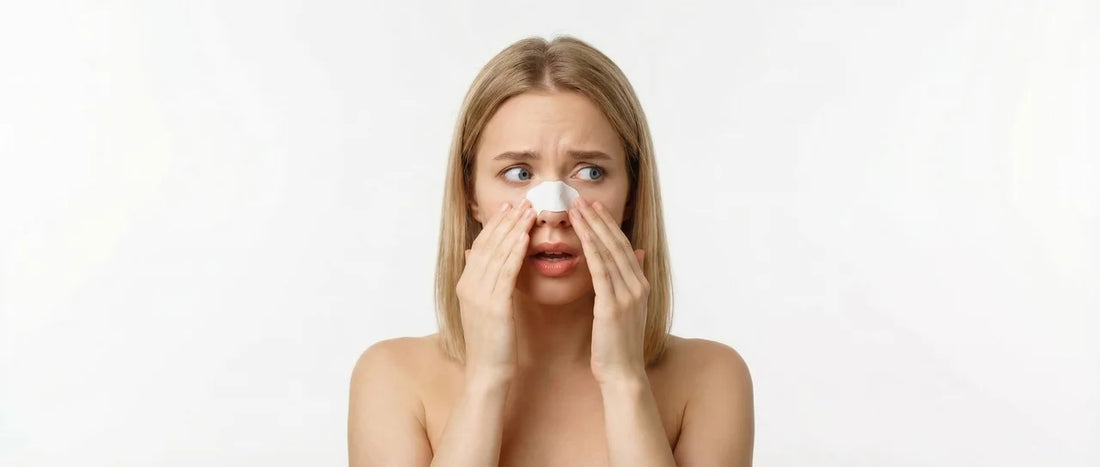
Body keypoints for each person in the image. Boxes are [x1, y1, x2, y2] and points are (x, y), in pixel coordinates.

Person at [348, 35, 754, 466]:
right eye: (519, 173)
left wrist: (624, 380)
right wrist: (485, 381)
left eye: (590, 172)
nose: (554, 211)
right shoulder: (392, 378)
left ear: (631, 195)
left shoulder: (710, 378)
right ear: (470, 195)